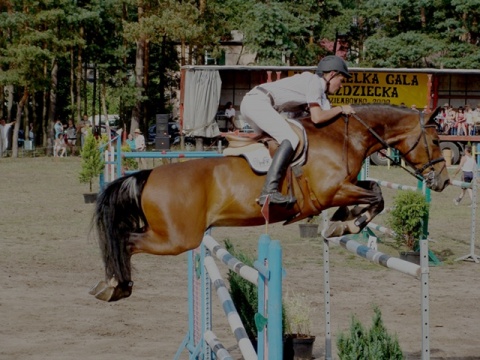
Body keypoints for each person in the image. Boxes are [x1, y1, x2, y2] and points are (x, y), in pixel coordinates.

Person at [240, 55, 354, 206]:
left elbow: (325, 117)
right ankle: (269, 191)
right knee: (291, 138)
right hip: (258, 102)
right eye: (341, 80)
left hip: (256, 103)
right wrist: (341, 108)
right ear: (332, 74)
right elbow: (318, 117)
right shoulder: (315, 82)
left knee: (276, 143)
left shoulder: (320, 92)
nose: (341, 86)